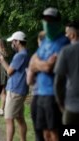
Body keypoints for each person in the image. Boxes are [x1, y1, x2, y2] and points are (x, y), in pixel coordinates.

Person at [27, 7, 70, 141]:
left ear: (58, 22)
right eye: (45, 20)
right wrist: (42, 64)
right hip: (40, 93)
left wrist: (38, 65)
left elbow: (48, 68)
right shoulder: (45, 42)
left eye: (51, 20)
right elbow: (35, 64)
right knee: (44, 132)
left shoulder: (64, 42)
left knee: (55, 132)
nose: (47, 23)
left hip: (54, 95)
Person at [0, 31, 29, 141]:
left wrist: (2, 61)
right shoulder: (26, 53)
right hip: (20, 89)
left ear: (18, 42)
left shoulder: (20, 55)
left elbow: (10, 71)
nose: (12, 44)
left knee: (8, 118)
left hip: (15, 89)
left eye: (13, 42)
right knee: (20, 119)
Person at [54, 21, 79, 125]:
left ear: (72, 35)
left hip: (72, 107)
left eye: (66, 33)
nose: (65, 35)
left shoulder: (66, 51)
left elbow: (58, 82)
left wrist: (60, 104)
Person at [26, 31, 45, 141]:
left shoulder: (36, 56)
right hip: (59, 97)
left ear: (39, 41)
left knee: (39, 131)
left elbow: (29, 80)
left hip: (39, 95)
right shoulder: (61, 51)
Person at [0, 39, 8, 116]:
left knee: (2, 92)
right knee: (4, 91)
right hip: (6, 72)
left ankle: (2, 109)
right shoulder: (7, 52)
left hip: (0, 73)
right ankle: (3, 108)